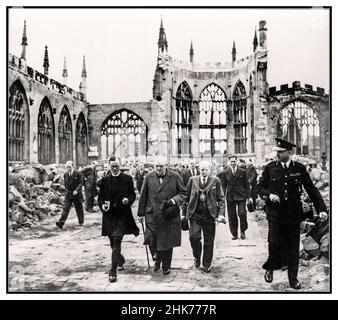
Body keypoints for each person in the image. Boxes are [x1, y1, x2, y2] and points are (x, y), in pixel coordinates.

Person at [258, 138, 328, 290]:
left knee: (292, 246)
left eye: (281, 152)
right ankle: (270, 268)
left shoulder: (299, 168)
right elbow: (260, 188)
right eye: (277, 151)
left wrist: (321, 209)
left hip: (292, 215)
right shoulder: (270, 168)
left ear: (289, 152)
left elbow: (311, 189)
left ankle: (293, 279)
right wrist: (269, 195)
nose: (278, 154)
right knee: (274, 242)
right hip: (275, 214)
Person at [137, 156, 186, 275]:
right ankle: (157, 258)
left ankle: (166, 265)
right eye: (156, 166)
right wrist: (140, 213)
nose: (158, 169)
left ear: (166, 166)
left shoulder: (174, 176)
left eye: (161, 166)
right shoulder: (149, 177)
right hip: (152, 214)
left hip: (168, 214)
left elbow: (183, 193)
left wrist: (174, 201)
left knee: (167, 242)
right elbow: (143, 195)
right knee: (151, 239)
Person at [98, 156, 139, 283]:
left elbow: (132, 194)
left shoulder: (127, 179)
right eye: (112, 167)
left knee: (117, 240)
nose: (114, 169)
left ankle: (113, 270)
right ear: (109, 167)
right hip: (109, 216)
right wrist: (102, 205)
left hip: (122, 215)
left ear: (120, 166)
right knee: (112, 242)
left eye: (116, 166)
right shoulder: (104, 180)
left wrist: (128, 200)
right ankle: (120, 259)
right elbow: (100, 198)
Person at [183, 161, 226, 272]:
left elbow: (221, 199)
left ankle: (207, 263)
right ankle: (197, 257)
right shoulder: (192, 180)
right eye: (202, 169)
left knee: (209, 240)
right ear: (199, 170)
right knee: (194, 237)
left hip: (209, 216)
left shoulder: (215, 181)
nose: (204, 172)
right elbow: (186, 198)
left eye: (206, 169)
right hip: (195, 215)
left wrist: (221, 214)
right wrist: (183, 214)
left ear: (209, 170)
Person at [218, 156, 251, 240]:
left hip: (241, 196)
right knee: (232, 216)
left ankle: (243, 231)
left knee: (242, 213)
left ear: (237, 161)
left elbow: (247, 185)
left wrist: (249, 197)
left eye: (234, 161)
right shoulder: (225, 172)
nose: (233, 163)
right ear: (229, 162)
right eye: (231, 162)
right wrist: (221, 197)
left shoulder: (243, 171)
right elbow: (223, 186)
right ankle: (234, 234)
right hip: (230, 197)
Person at [56, 161, 84, 229]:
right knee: (66, 208)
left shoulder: (78, 174)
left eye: (70, 167)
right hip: (69, 194)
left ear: (72, 166)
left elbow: (80, 183)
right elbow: (66, 184)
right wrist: (66, 191)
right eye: (67, 167)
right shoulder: (65, 174)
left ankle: (81, 221)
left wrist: (76, 190)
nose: (68, 168)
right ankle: (61, 223)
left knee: (79, 208)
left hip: (76, 194)